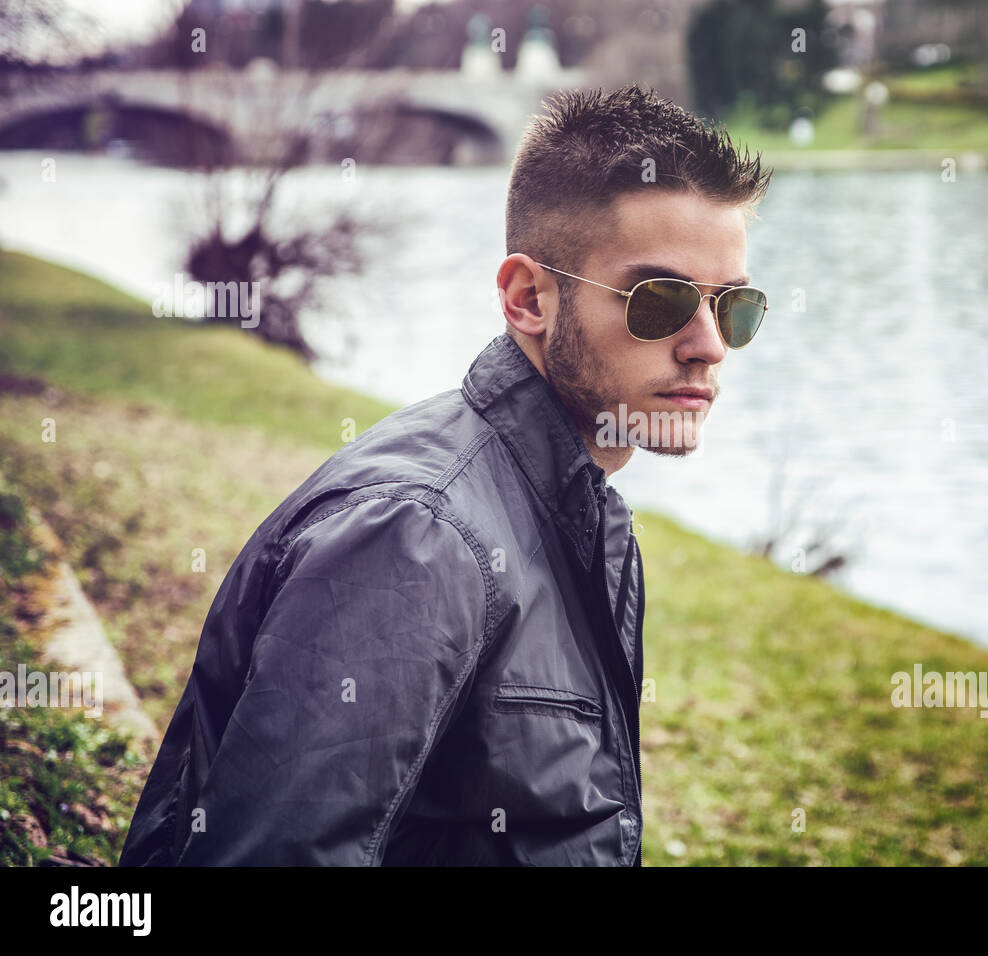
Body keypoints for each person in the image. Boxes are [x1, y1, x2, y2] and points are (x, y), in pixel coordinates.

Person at [118, 83, 772, 866]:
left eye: (733, 305)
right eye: (659, 300)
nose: (709, 344)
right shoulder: (417, 537)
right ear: (528, 298)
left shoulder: (573, 510)